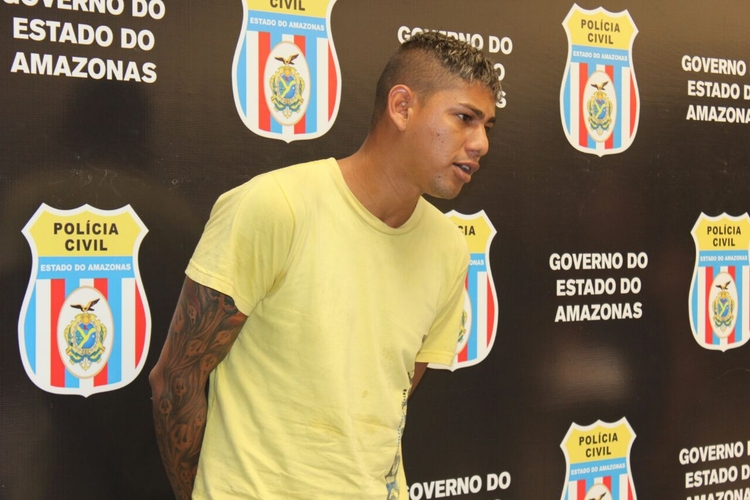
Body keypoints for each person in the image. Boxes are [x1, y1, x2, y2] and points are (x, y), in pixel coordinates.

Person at [149, 31, 501, 500]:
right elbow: (177, 378)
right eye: (464, 118)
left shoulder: (449, 249)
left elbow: (392, 394)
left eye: (487, 126)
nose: (481, 143)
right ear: (402, 107)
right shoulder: (276, 206)